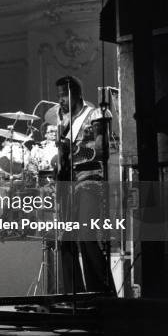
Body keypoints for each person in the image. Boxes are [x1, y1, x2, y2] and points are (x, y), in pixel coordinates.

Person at [55, 75, 115, 294]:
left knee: (87, 237)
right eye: (58, 96)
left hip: (90, 182)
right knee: (65, 240)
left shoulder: (95, 114)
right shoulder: (63, 122)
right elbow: (62, 160)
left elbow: (103, 151)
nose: (60, 100)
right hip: (69, 187)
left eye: (64, 95)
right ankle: (75, 295)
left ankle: (101, 295)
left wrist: (78, 150)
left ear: (77, 93)